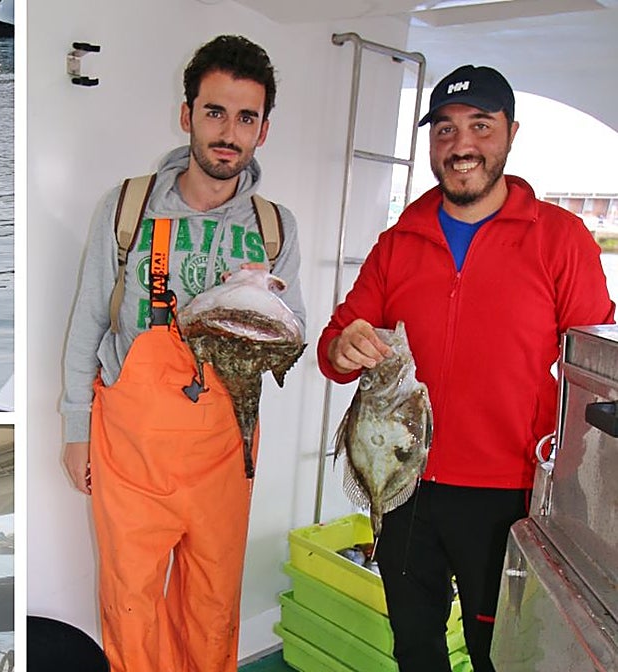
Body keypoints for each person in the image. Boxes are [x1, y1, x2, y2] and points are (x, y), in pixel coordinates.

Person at [318, 65, 614, 672]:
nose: (462, 146)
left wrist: (568, 479)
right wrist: (343, 347)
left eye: (481, 125)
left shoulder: (562, 239)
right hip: (403, 490)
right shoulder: (398, 241)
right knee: (416, 648)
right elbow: (333, 346)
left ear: (510, 133)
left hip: (509, 493)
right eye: (446, 130)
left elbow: (594, 371)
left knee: (500, 653)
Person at [60, 35, 305, 672]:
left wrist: (264, 303)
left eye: (245, 117)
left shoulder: (275, 227)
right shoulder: (126, 206)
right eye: (215, 111)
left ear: (263, 129)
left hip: (225, 452)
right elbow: (88, 321)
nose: (229, 132)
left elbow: (292, 338)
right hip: (129, 450)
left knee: (212, 610)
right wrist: (73, 430)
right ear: (187, 114)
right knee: (131, 607)